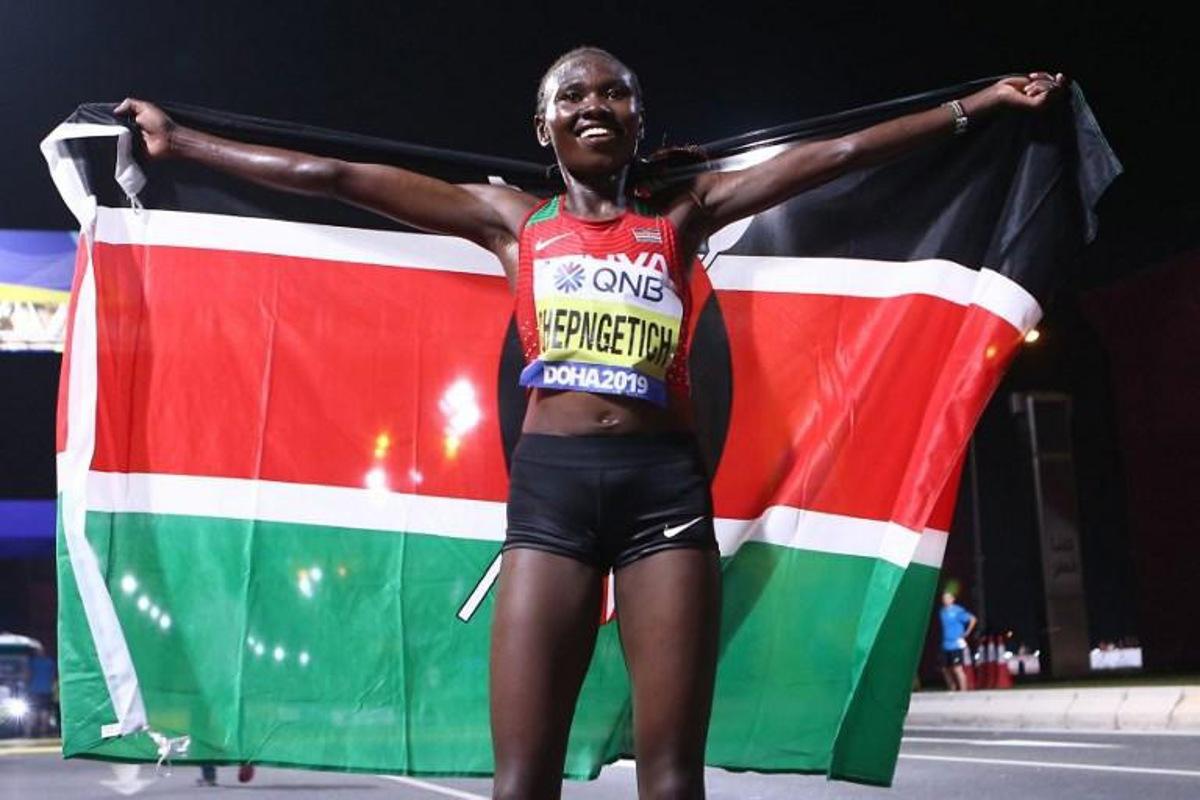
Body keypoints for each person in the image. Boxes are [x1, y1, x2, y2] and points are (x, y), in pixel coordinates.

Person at [117, 48, 1063, 799]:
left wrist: (975, 105)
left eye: (615, 93)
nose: (595, 105)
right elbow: (332, 175)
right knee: (522, 778)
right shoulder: (509, 222)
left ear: (640, 121)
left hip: (665, 504)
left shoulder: (686, 216)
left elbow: (840, 155)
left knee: (670, 777)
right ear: (545, 126)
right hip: (552, 503)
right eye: (574, 95)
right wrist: (183, 143)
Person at [938, 591, 978, 691]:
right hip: (945, 644)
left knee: (957, 669)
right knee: (944, 669)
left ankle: (963, 691)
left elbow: (973, 619)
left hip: (956, 644)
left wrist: (967, 632)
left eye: (947, 598)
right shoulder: (942, 611)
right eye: (944, 598)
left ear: (952, 599)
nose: (945, 600)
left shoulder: (958, 611)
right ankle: (952, 688)